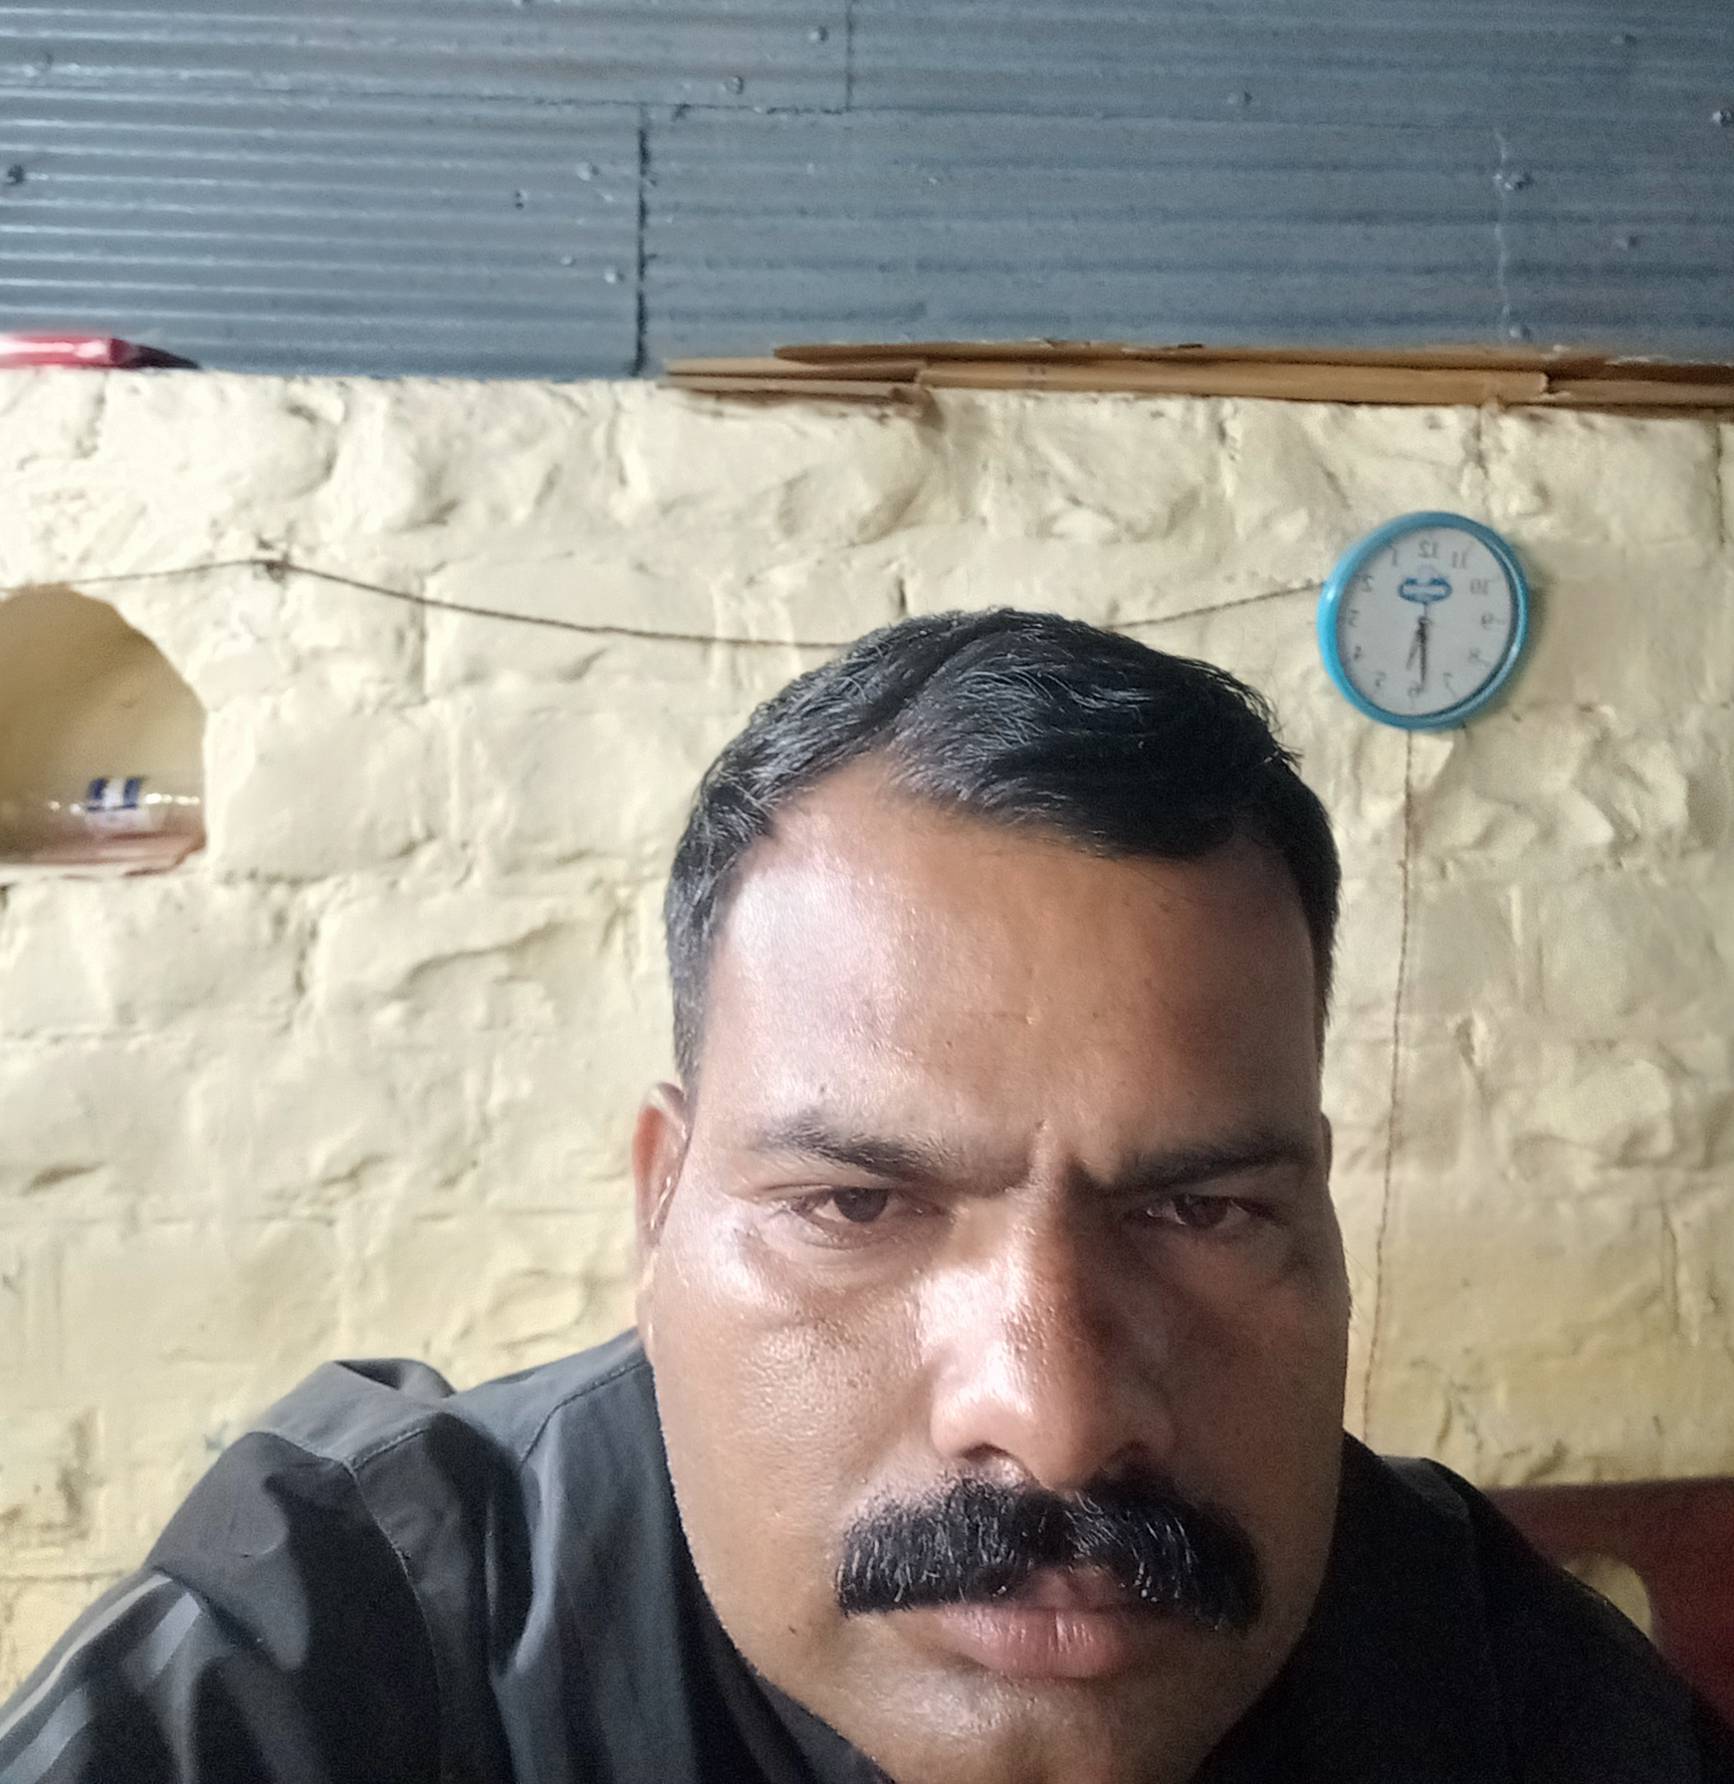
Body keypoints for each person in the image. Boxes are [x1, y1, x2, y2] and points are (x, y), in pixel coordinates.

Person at [2, 608, 1727, 1784]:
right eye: (855, 1206)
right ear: (662, 1206)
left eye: (1197, 1212)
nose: (1052, 1422)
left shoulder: (1478, 1672)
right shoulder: (352, 1646)